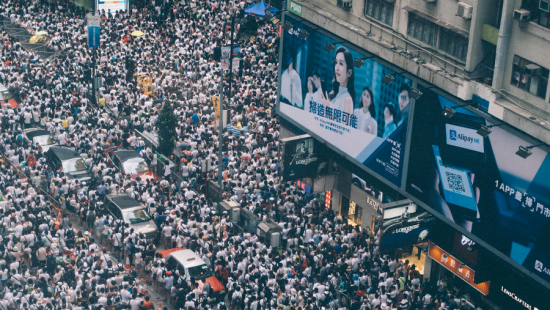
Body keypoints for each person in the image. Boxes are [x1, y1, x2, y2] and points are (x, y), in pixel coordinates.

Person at [320, 46, 355, 115]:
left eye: (341, 63)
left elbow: (344, 126)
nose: (337, 68)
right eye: (336, 62)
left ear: (349, 73)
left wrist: (328, 110)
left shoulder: (347, 99)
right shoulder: (334, 95)